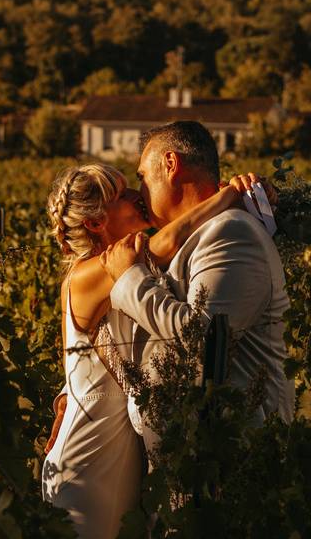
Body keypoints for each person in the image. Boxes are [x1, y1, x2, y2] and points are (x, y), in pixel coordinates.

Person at [41, 161, 265, 539]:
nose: (136, 198)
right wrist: (229, 195)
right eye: (122, 195)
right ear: (96, 223)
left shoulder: (117, 267)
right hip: (88, 454)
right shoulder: (89, 274)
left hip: (115, 449)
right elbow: (167, 242)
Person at [102, 121, 294, 455]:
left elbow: (204, 337)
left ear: (171, 165)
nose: (140, 192)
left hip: (229, 455)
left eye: (142, 177)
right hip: (188, 455)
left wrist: (129, 279)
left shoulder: (232, 232)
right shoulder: (200, 233)